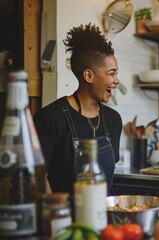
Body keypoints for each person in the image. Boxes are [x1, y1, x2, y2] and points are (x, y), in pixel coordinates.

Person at [34, 23, 122, 196]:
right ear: (89, 76)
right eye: (111, 73)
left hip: (104, 217)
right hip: (65, 219)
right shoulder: (49, 118)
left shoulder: (113, 120)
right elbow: (39, 179)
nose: (117, 80)